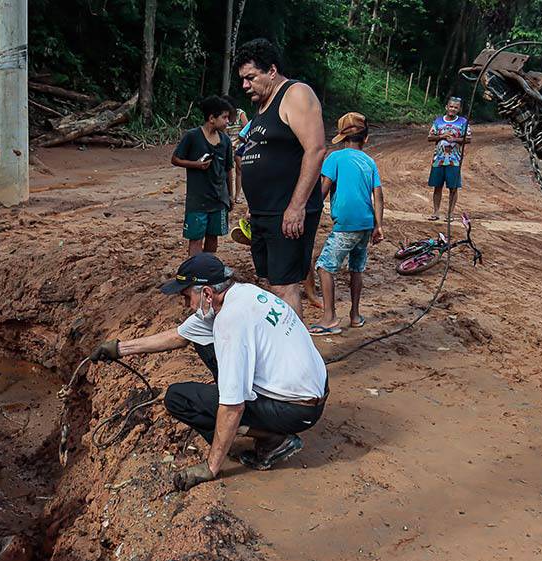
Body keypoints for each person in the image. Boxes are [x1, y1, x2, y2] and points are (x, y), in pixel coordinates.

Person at [89, 253, 328, 491]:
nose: (185, 304)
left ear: (205, 293)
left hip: (297, 408)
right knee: (201, 340)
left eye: (186, 296)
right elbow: (180, 336)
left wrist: (210, 468)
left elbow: (233, 407)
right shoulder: (242, 293)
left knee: (178, 399)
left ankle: (274, 439)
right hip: (310, 390)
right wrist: (119, 349)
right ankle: (257, 420)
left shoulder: (230, 321)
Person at [234, 38, 326, 316]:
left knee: (285, 287)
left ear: (271, 71)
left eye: (251, 77)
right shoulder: (262, 106)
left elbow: (316, 149)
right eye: (242, 79)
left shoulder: (295, 94)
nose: (245, 85)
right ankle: (279, 350)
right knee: (269, 283)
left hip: (287, 213)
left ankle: (296, 357)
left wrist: (296, 207)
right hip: (264, 213)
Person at [308, 112, 384, 336]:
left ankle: (330, 318)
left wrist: (309, 210)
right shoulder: (370, 162)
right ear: (366, 138)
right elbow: (378, 196)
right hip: (366, 224)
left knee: (324, 267)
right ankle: (355, 315)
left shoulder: (335, 158)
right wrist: (379, 226)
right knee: (356, 268)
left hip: (346, 225)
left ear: (341, 137)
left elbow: (323, 188)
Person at [172, 96, 235, 256]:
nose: (228, 121)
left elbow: (228, 169)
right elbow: (175, 159)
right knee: (196, 238)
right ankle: (195, 272)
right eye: (225, 117)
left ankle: (207, 270)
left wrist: (231, 196)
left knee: (213, 237)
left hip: (219, 199)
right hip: (197, 200)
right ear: (212, 118)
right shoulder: (192, 136)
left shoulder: (226, 141)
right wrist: (196, 165)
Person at [427, 96, 472, 221]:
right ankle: (436, 212)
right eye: (451, 106)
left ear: (459, 109)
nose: (452, 109)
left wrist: (455, 139)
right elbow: (430, 137)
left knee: (453, 188)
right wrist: (442, 136)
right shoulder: (438, 121)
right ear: (446, 107)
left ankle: (450, 214)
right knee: (437, 186)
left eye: (455, 107)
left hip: (455, 160)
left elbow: (468, 139)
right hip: (438, 159)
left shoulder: (463, 122)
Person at [223, 94, 248, 204]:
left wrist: (237, 143)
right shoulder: (224, 117)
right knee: (228, 170)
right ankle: (230, 195)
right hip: (228, 144)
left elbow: (247, 129)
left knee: (239, 169)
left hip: (240, 144)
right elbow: (223, 133)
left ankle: (237, 195)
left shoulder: (240, 114)